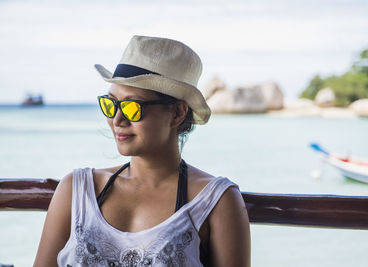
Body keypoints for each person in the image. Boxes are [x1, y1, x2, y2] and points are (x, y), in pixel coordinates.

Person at [34, 35, 250, 267]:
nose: (117, 119)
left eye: (131, 106)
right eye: (111, 104)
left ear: (177, 113)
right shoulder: (76, 190)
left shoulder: (215, 201)